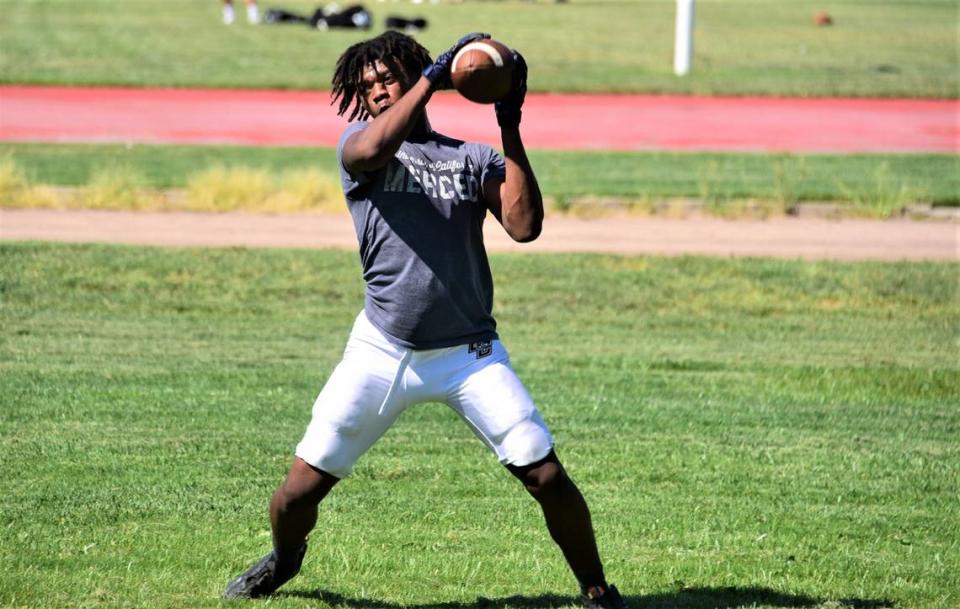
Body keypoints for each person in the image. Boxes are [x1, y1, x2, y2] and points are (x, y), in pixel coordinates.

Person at [223, 31, 627, 609]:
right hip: (382, 350)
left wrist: (509, 122)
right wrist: (432, 80)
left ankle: (596, 590)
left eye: (387, 77)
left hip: (470, 354)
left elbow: (524, 226)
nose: (377, 91)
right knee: (296, 495)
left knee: (546, 475)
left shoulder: (471, 157)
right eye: (367, 87)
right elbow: (370, 150)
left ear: (412, 72)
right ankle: (285, 559)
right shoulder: (359, 148)